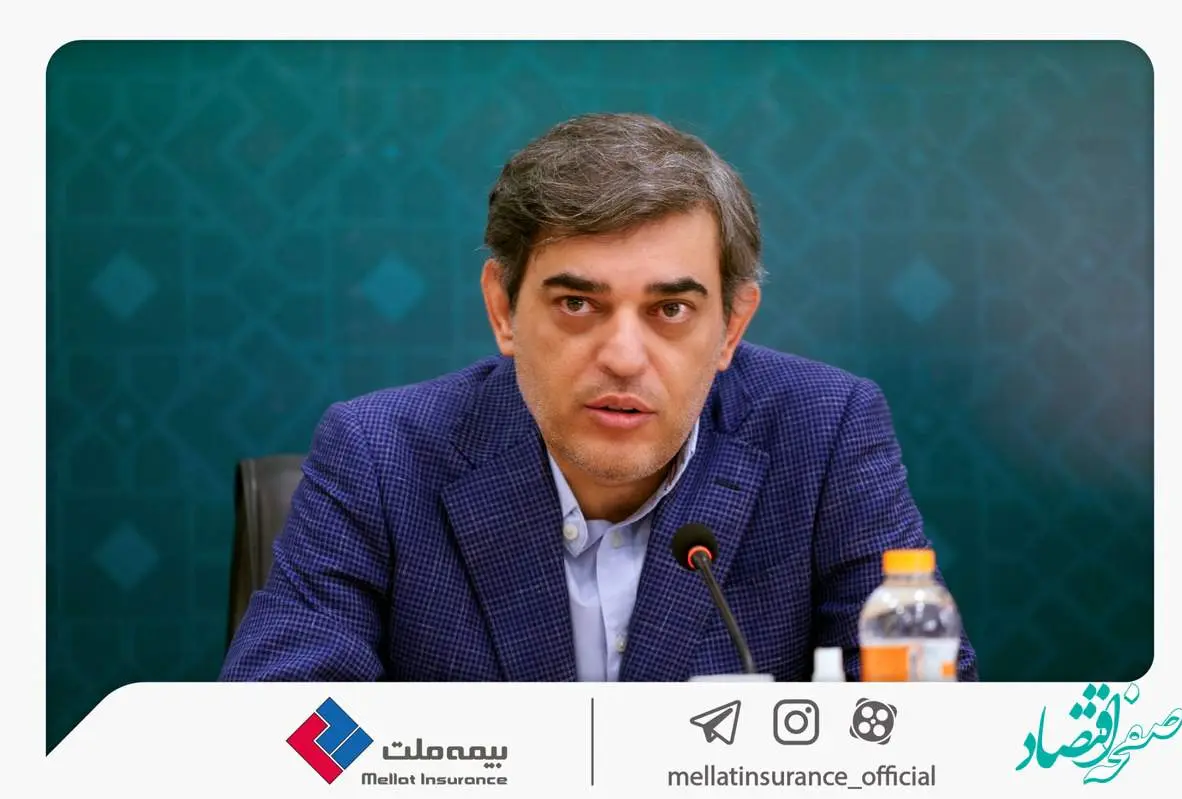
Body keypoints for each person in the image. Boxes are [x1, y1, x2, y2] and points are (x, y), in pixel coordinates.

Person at [220, 112, 978, 683]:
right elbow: (284, 732)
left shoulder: (825, 435)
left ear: (731, 326)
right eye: (577, 304)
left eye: (670, 309)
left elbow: (925, 741)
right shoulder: (379, 455)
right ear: (503, 309)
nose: (622, 355)